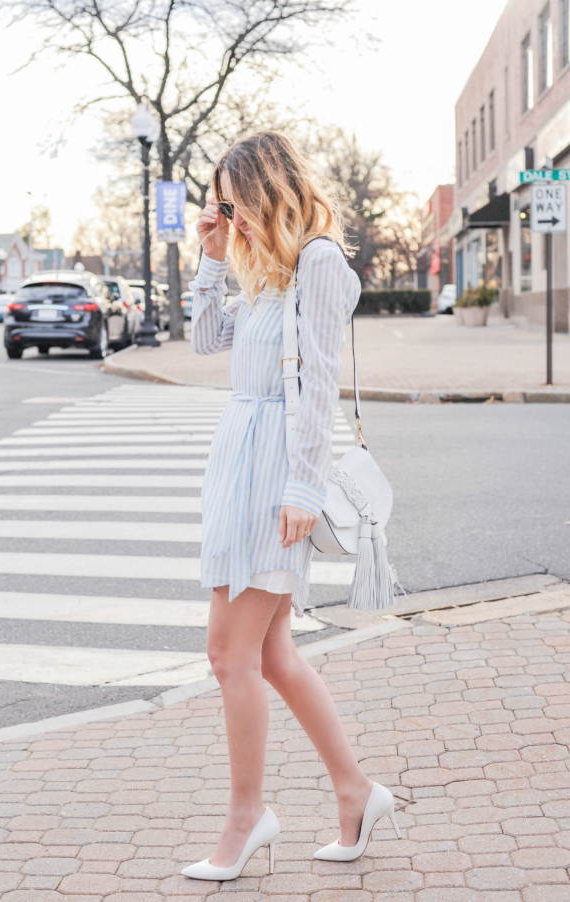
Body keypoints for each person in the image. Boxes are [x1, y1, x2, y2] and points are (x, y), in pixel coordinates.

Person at [181, 132, 400, 882]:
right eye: (222, 208)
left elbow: (318, 388)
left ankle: (249, 818)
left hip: (276, 471)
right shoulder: (268, 273)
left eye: (235, 205)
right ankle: (356, 791)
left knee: (228, 654)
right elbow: (205, 340)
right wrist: (211, 254)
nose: (230, 218)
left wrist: (304, 488)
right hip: (241, 462)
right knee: (268, 653)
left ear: (266, 189)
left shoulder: (319, 263)